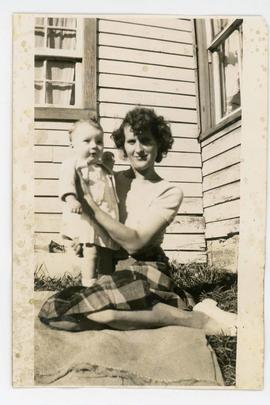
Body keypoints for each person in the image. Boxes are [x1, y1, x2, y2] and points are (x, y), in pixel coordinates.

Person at [39, 107, 237, 336]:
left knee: (105, 314)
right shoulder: (111, 179)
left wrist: (88, 204)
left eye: (146, 141)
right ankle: (162, 310)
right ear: (123, 146)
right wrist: (81, 239)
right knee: (55, 312)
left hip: (147, 268)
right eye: (131, 141)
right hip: (111, 266)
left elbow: (136, 243)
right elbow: (85, 214)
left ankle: (196, 320)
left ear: (159, 145)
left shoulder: (169, 191)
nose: (138, 149)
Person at [59, 119, 119, 286]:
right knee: (91, 252)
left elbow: (108, 183)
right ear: (73, 145)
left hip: (106, 218)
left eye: (99, 142)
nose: (94, 146)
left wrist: (108, 163)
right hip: (87, 218)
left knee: (107, 252)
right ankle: (88, 285)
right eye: (87, 141)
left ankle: (107, 285)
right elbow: (66, 182)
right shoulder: (72, 164)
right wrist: (71, 198)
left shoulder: (100, 167)